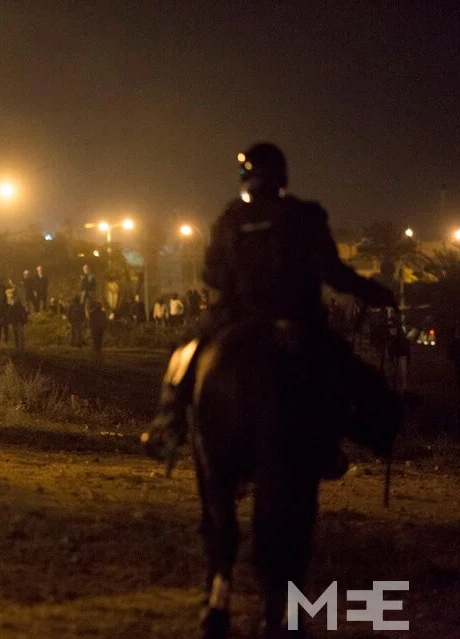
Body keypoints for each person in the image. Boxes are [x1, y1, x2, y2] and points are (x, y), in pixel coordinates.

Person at [142, 143, 399, 471]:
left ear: (244, 178)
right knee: (346, 367)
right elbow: (333, 272)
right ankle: (352, 439)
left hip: (236, 316)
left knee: (183, 351)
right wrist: (375, 292)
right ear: (283, 177)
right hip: (298, 318)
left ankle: (168, 426)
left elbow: (210, 274)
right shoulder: (305, 215)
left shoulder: (230, 218)